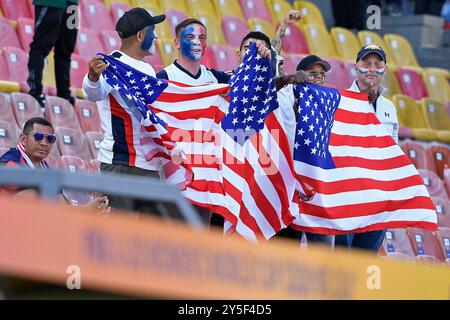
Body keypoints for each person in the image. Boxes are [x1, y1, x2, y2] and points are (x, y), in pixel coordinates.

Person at [82, 8, 166, 212]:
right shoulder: (112, 64)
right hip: (121, 163)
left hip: (148, 165)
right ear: (140, 35)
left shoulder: (147, 68)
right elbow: (94, 93)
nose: (156, 37)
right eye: (153, 30)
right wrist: (92, 76)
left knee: (146, 235)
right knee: (119, 232)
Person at [334, 44, 399, 252]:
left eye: (377, 64)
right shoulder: (340, 101)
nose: (372, 68)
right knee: (343, 258)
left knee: (366, 259)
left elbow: (394, 152)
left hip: (379, 197)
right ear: (356, 66)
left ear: (385, 69)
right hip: (348, 194)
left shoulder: (390, 107)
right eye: (366, 63)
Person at [273, 55, 334, 248]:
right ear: (300, 75)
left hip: (317, 190)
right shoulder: (287, 95)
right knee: (284, 246)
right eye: (312, 74)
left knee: (322, 251)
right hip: (287, 187)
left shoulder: (328, 105)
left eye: (322, 75)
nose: (317, 78)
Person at [0, 117, 108, 211]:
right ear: (23, 139)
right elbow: (32, 206)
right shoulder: (11, 163)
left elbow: (62, 204)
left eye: (49, 139)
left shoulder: (45, 168)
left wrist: (90, 210)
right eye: (38, 137)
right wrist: (85, 209)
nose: (44, 143)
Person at [27, 0, 78, 108]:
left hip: (72, 4)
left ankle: (64, 95)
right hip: (51, 2)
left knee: (65, 51)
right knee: (40, 47)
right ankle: (35, 92)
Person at [156, 19, 233, 85]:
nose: (197, 42)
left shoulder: (218, 78)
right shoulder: (163, 79)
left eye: (202, 37)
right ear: (177, 43)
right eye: (190, 37)